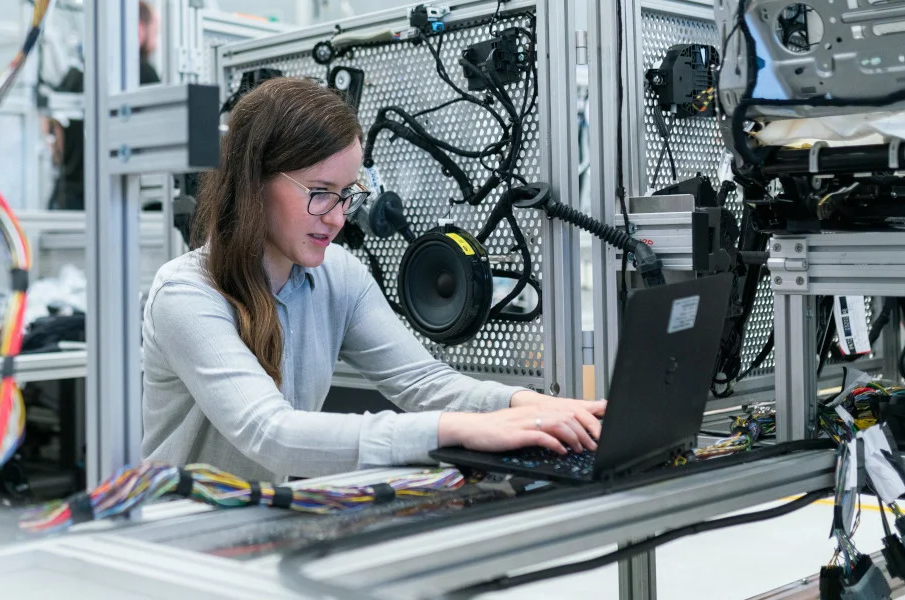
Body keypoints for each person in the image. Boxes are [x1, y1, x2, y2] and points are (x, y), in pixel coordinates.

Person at [141, 77, 606, 481]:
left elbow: (424, 383)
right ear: (253, 182)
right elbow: (271, 434)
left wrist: (528, 405)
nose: (339, 218)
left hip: (260, 524)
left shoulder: (338, 275)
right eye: (320, 194)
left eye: (347, 195)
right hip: (180, 542)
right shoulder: (187, 293)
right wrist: (457, 430)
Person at [46, 1, 161, 211]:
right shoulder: (142, 72)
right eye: (155, 31)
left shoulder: (75, 75)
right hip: (116, 198)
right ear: (138, 29)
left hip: (69, 199)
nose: (156, 41)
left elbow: (52, 132)